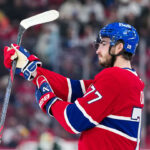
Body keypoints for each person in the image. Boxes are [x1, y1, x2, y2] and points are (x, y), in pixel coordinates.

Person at [4, 22, 144, 150]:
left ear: (119, 47)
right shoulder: (127, 80)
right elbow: (71, 89)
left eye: (103, 44)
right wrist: (31, 68)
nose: (98, 50)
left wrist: (50, 102)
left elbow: (75, 120)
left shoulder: (116, 78)